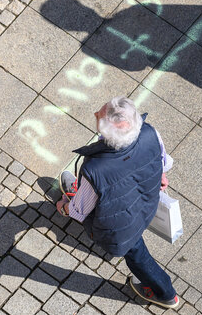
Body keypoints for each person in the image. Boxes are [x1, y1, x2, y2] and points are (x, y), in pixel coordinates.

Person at [55, 97, 178, 309]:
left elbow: (80, 211)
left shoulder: (95, 170)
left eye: (99, 116)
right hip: (146, 203)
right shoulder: (150, 133)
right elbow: (164, 162)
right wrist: (160, 177)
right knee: (134, 237)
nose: (95, 114)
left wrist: (66, 208)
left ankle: (165, 293)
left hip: (120, 226)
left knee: (136, 253)